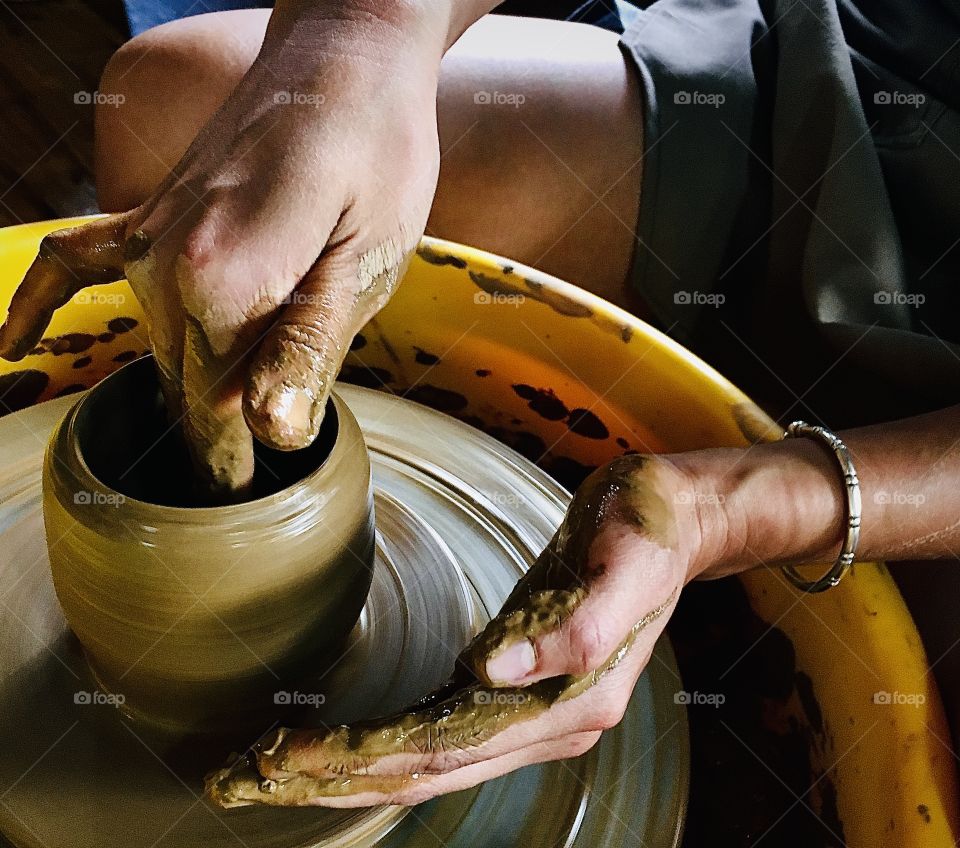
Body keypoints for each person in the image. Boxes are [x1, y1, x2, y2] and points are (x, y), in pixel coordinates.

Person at [1, 0, 958, 805]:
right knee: (169, 106)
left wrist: (733, 508)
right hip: (884, 110)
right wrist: (360, 40)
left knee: (907, 758)